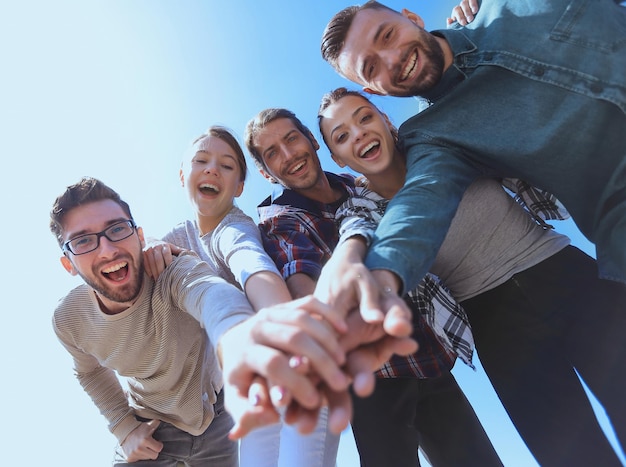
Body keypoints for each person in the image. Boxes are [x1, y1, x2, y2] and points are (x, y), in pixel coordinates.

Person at [316, 86, 626, 466]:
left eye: (364, 117)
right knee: (571, 454)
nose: (359, 133)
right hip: (497, 328)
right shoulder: (359, 209)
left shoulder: (440, 139)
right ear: (338, 159)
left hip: (566, 274)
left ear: (387, 120)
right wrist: (345, 260)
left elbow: (466, 94)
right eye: (342, 136)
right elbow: (354, 234)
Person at [49, 176, 377, 466]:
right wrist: (123, 428)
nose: (107, 249)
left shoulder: (170, 270)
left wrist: (238, 338)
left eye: (117, 229)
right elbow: (89, 371)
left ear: (139, 235)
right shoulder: (69, 319)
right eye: (83, 241)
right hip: (151, 426)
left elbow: (212, 296)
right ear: (68, 264)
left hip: (218, 418)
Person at [244, 107, 502, 466]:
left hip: (428, 353)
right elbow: (297, 273)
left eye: (291, 139)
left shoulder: (358, 185)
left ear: (312, 141)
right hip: (372, 377)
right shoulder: (281, 220)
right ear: (264, 172)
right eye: (272, 153)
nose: (288, 155)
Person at [320, 0, 626, 301]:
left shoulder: (502, 6)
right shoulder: (433, 134)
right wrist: (380, 278)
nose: (392, 59)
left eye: (387, 35)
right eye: (371, 67)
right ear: (374, 90)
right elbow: (419, 202)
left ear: (412, 17)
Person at [141, 125, 333, 467]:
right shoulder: (178, 237)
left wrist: (284, 323)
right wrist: (149, 244)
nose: (213, 168)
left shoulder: (236, 227)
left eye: (227, 165)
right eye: (202, 160)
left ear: (240, 186)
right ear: (183, 174)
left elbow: (250, 261)